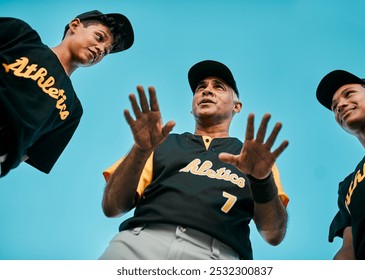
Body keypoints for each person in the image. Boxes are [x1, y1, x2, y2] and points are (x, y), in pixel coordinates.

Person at [99, 60, 289, 260]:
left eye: (218, 87)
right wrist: (140, 150)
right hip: (140, 244)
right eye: (201, 87)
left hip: (216, 256)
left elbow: (273, 235)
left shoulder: (253, 157)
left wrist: (262, 180)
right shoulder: (161, 143)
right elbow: (112, 207)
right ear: (192, 107)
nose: (207, 91)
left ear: (237, 106)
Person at [0, 10, 134, 177]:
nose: (100, 49)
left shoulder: (73, 110)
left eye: (105, 52)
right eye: (99, 37)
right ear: (75, 25)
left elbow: (28, 154)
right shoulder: (21, 36)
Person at [316, 69, 365, 260]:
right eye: (334, 107)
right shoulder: (348, 186)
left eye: (348, 94)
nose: (340, 105)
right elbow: (348, 249)